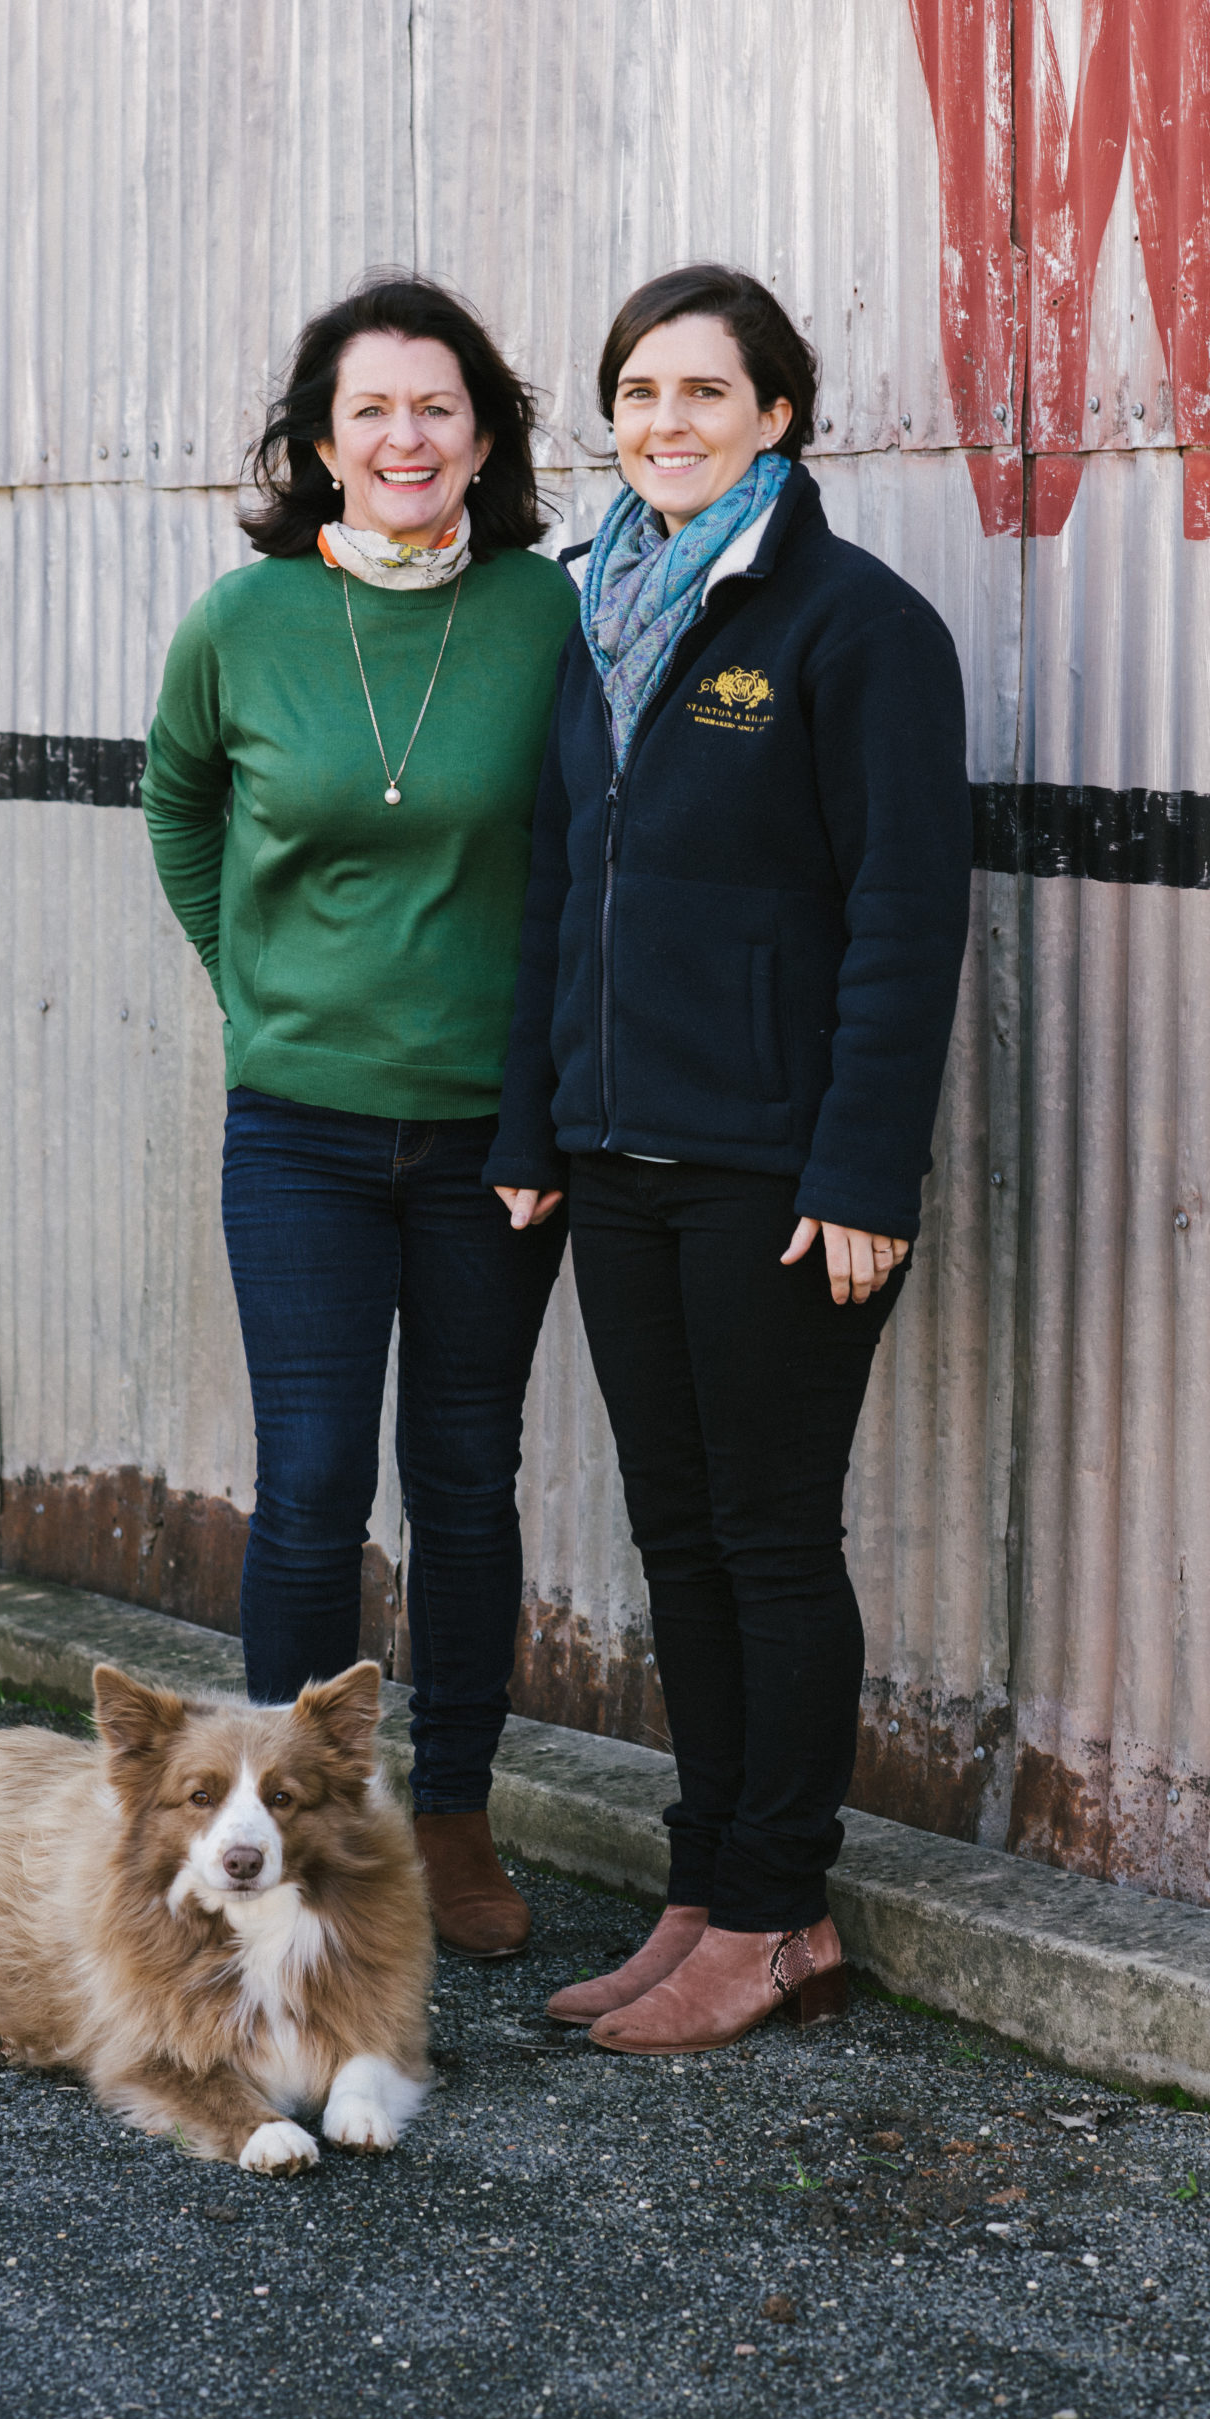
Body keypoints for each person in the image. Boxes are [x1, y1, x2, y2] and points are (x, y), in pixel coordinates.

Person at [488, 262, 971, 2050]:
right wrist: (532, 1122)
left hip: (776, 1172)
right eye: (636, 393)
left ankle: (780, 1914)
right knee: (674, 1534)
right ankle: (701, 1889)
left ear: (778, 414)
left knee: (768, 1535)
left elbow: (905, 921)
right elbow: (553, 891)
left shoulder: (854, 628)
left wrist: (860, 1172)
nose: (665, 424)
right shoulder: (589, 616)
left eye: (705, 392)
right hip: (614, 1154)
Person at [140, 275, 577, 1958]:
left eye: (439, 409)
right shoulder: (240, 622)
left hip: (488, 1142)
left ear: (485, 439)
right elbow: (177, 803)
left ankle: (450, 1821)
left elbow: (581, 858)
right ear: (319, 444)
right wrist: (251, 987)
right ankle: (278, 1828)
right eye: (373, 411)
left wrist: (545, 1096)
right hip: (301, 1131)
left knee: (464, 1482)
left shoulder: (549, 614)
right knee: (314, 1487)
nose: (407, 438)